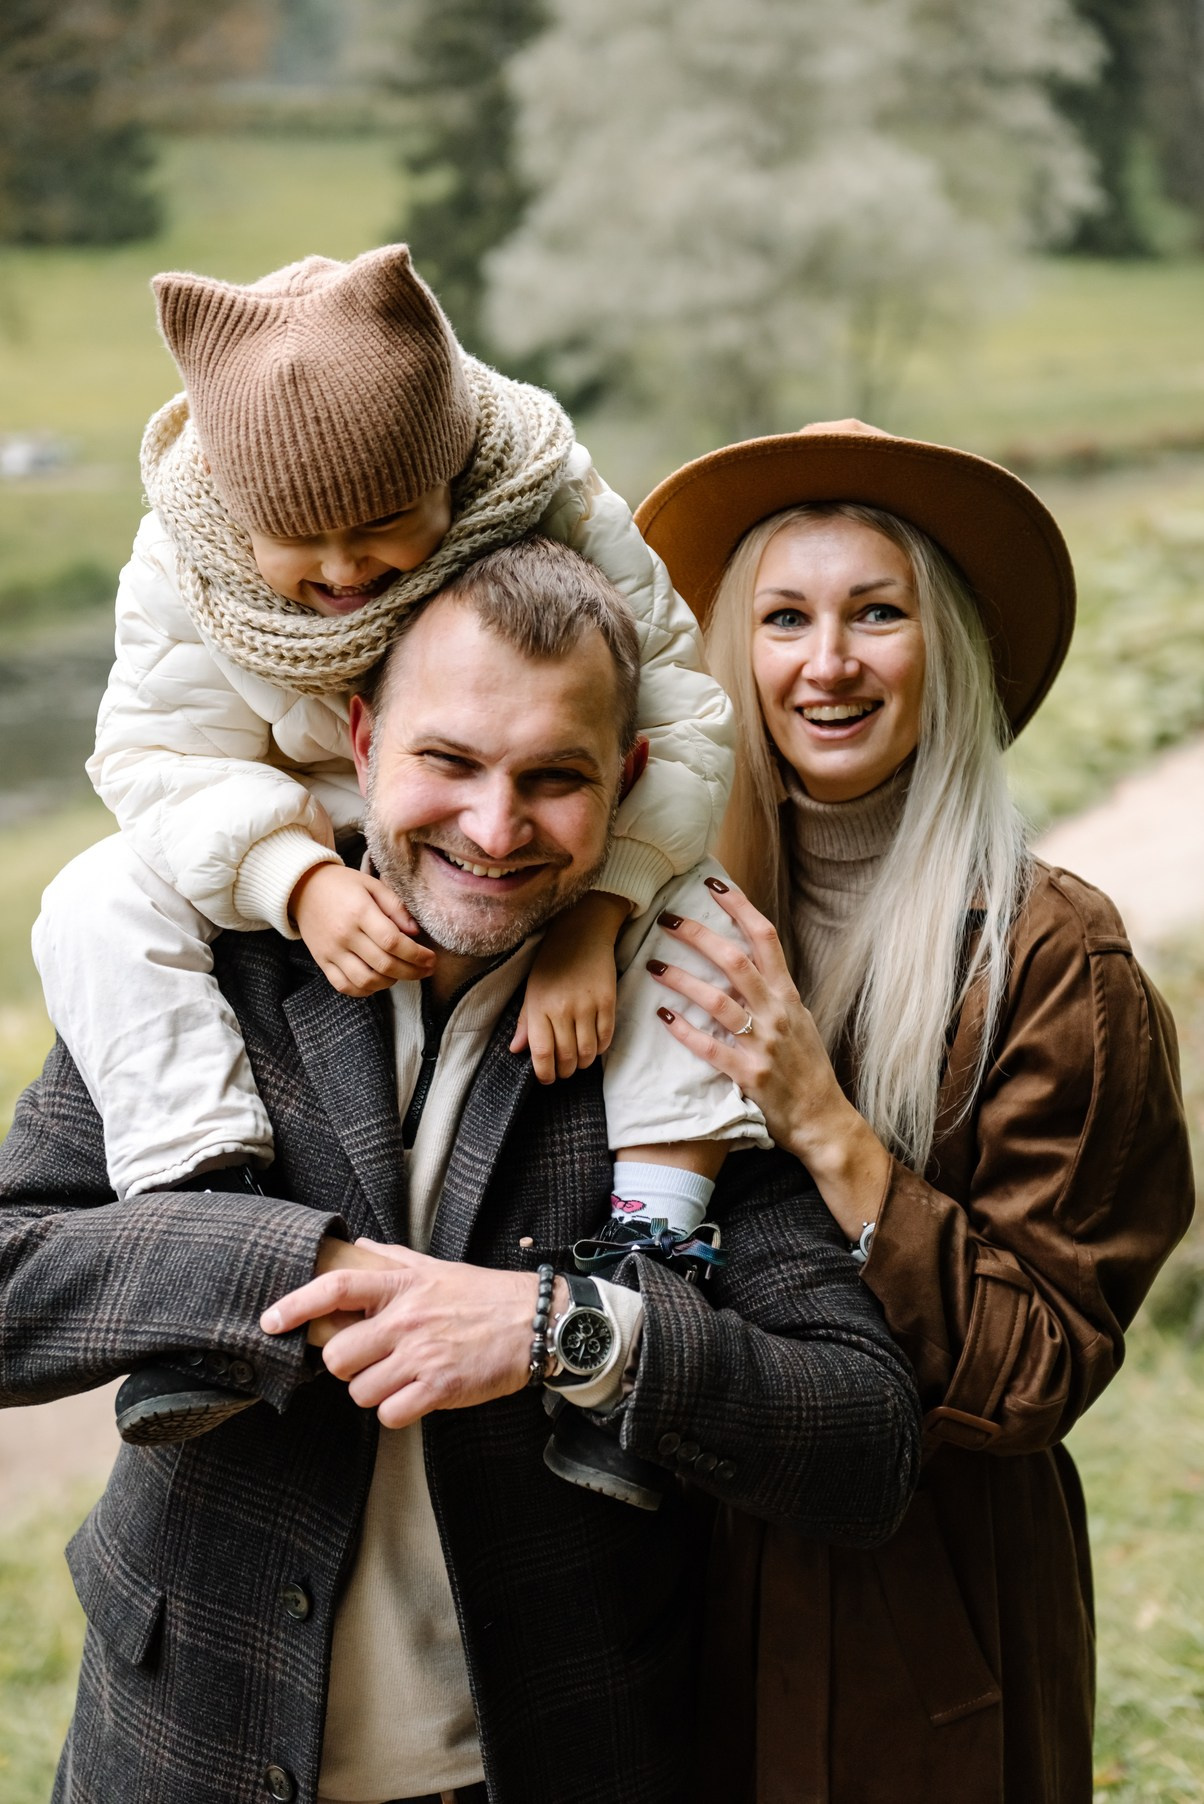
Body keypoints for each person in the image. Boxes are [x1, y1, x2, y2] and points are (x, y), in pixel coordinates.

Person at [0, 535, 920, 1804]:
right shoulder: (197, 960)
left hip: (551, 1759)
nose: (494, 828)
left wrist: (561, 1327)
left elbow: (861, 1438)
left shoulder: (685, 1007)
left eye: (554, 777)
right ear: (363, 740)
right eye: (448, 761)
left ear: (630, 779)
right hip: (180, 1749)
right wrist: (298, 1262)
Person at [32, 244, 762, 1453]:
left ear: (452, 479)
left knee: (708, 918)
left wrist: (602, 913)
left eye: (380, 528)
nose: (338, 570)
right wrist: (294, 875)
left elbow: (680, 717)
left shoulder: (544, 494)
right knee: (92, 896)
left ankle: (650, 1254)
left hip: (528, 851)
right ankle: (200, 1208)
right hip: (278, 829)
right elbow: (155, 752)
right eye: (298, 540)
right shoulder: (188, 553)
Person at [632, 420, 1194, 1804]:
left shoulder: (1059, 960)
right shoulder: (662, 919)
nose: (827, 664)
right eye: (785, 617)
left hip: (926, 1618)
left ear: (942, 645)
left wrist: (819, 1115)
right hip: (677, 1590)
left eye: (875, 613)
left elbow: (1034, 1366)